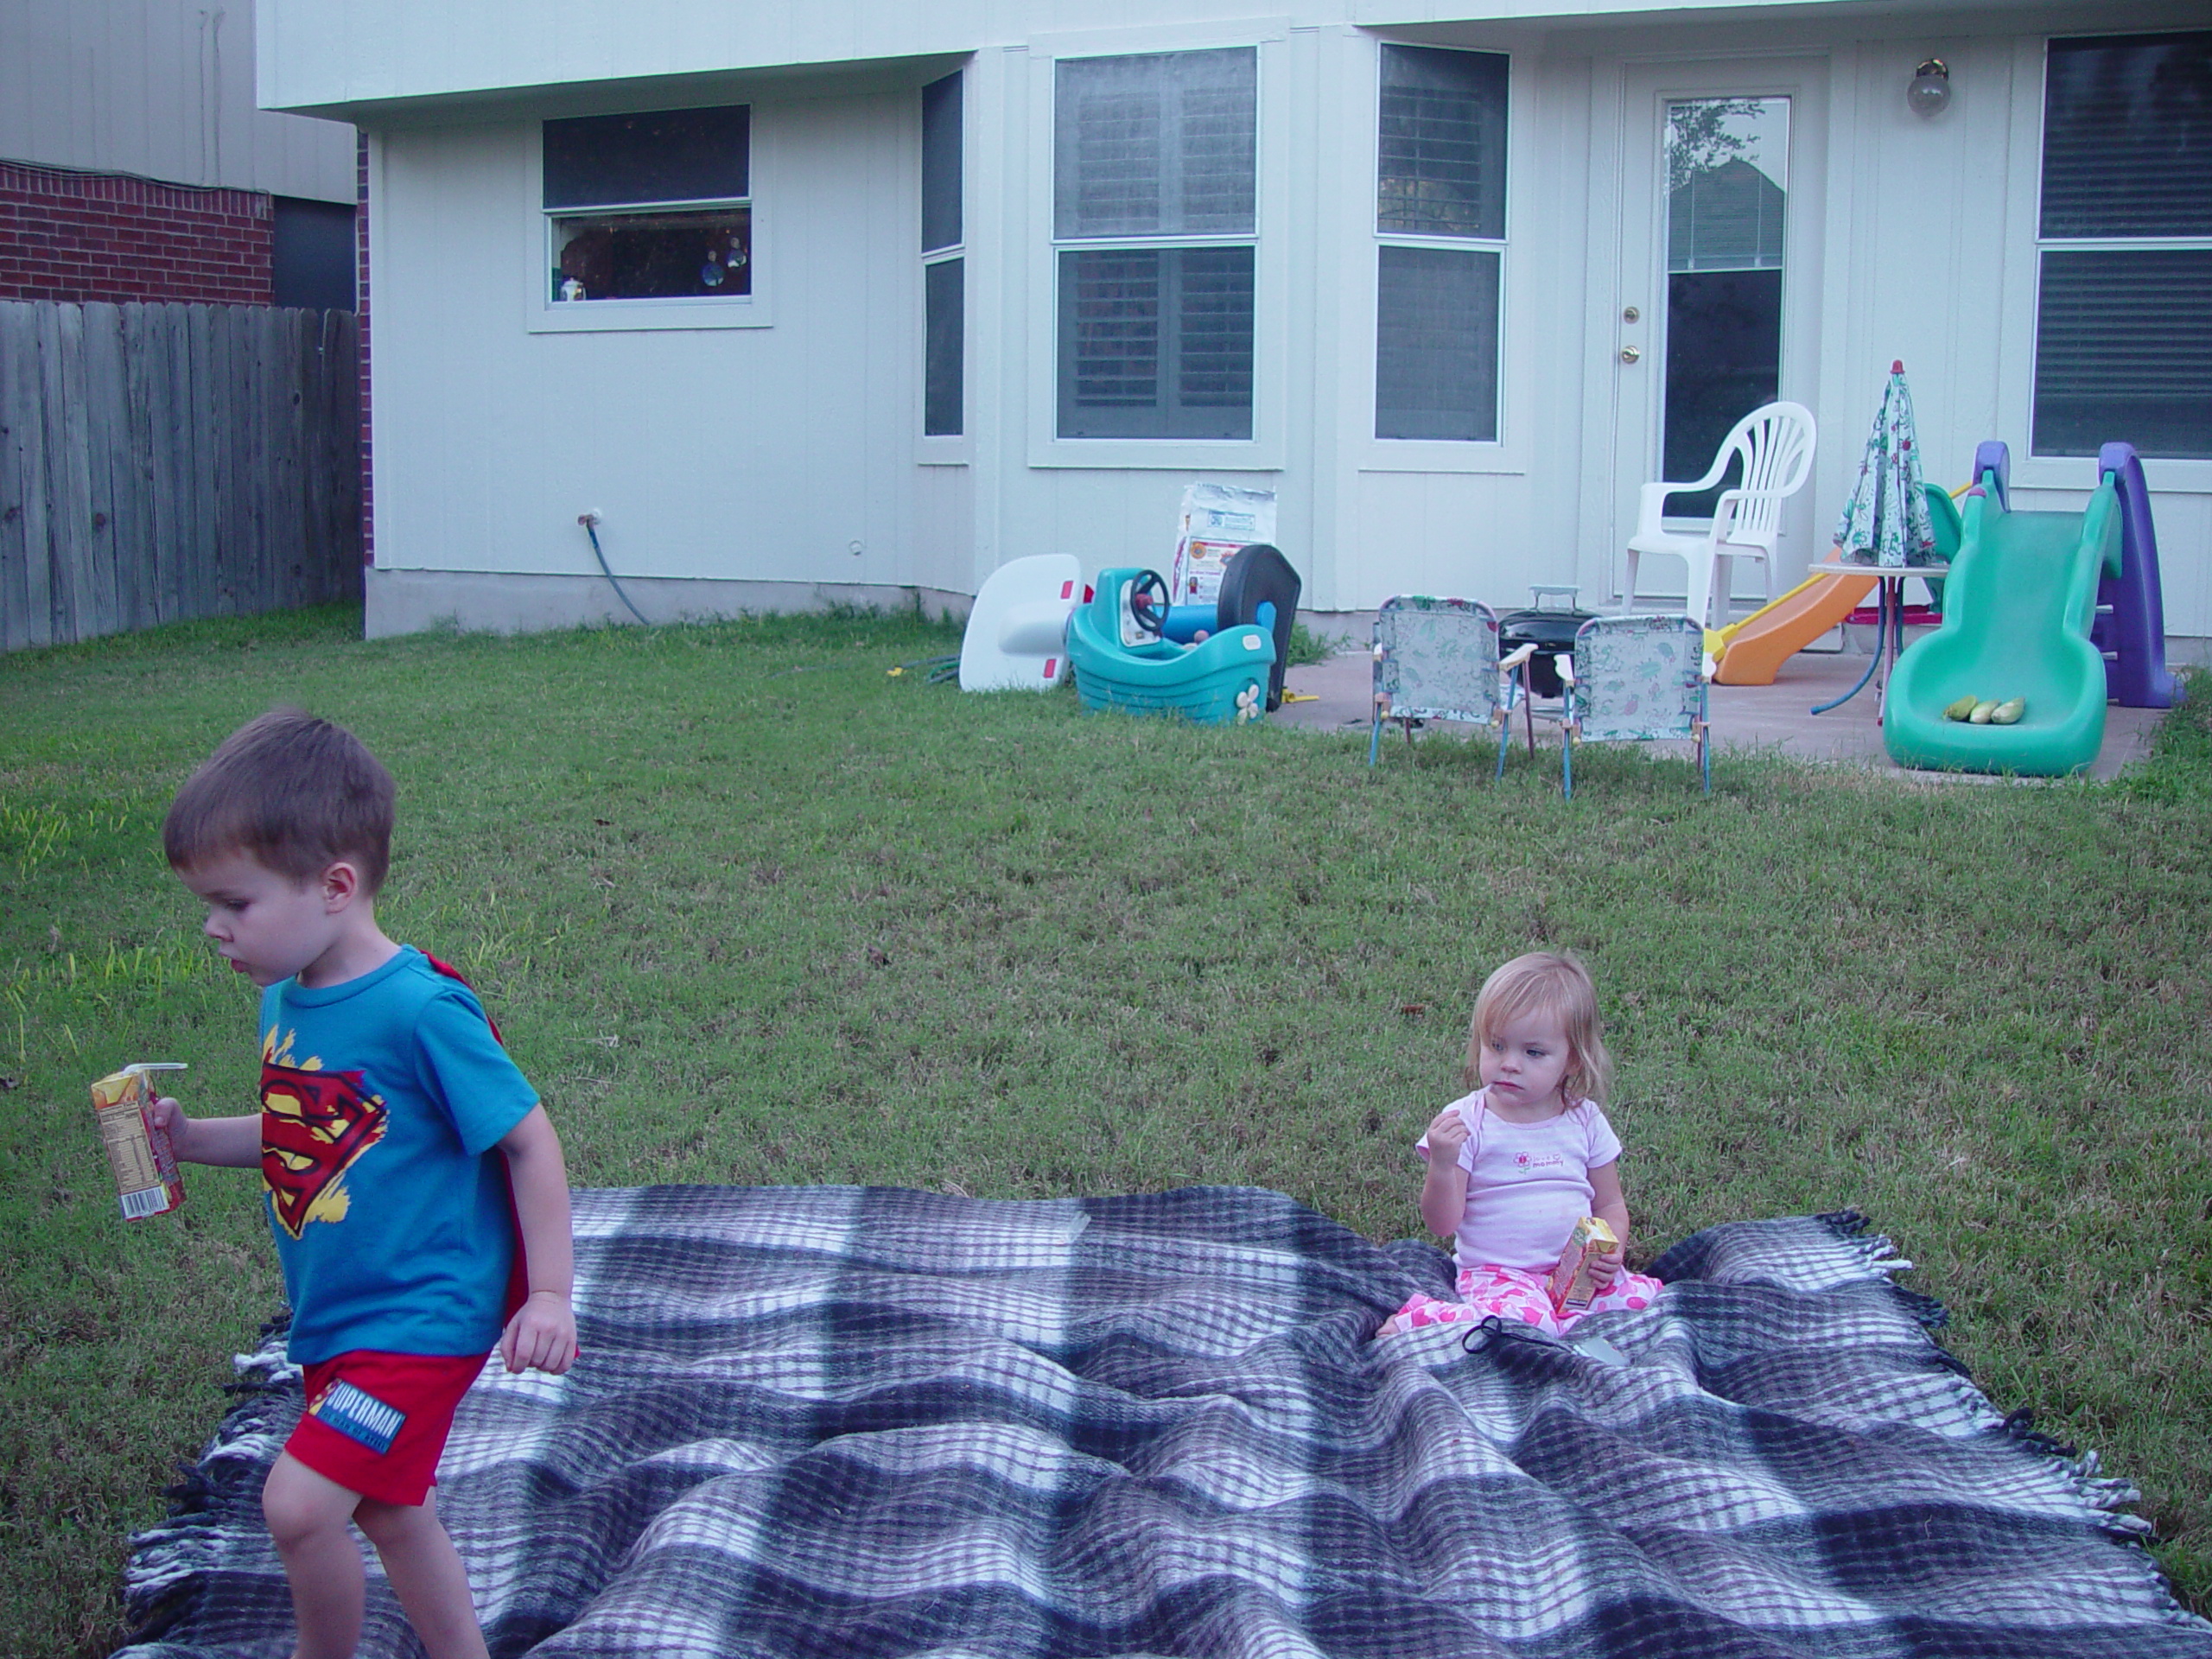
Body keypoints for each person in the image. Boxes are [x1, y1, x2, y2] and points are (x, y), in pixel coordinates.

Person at [150, 709, 578, 1659]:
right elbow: (301, 1138)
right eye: (206, 908)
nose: (215, 930)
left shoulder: (420, 1010)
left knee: (298, 1506)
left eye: (236, 903)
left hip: (421, 1319)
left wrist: (548, 1292)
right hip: (340, 1316)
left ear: (336, 886)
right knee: (388, 1507)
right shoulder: (288, 998)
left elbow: (527, 1141)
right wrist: (187, 1140)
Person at [1378, 950, 1663, 1338]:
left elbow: (1610, 1204)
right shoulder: (1470, 1121)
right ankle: (1424, 1319)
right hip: (1499, 1275)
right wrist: (1442, 1165)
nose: (1509, 1063)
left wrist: (1611, 1250)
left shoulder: (1585, 1120)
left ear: (1573, 1060)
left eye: (1532, 1052)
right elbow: (1442, 1224)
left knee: (1646, 1307)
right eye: (1496, 1046)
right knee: (1526, 1325)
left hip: (1572, 1274)